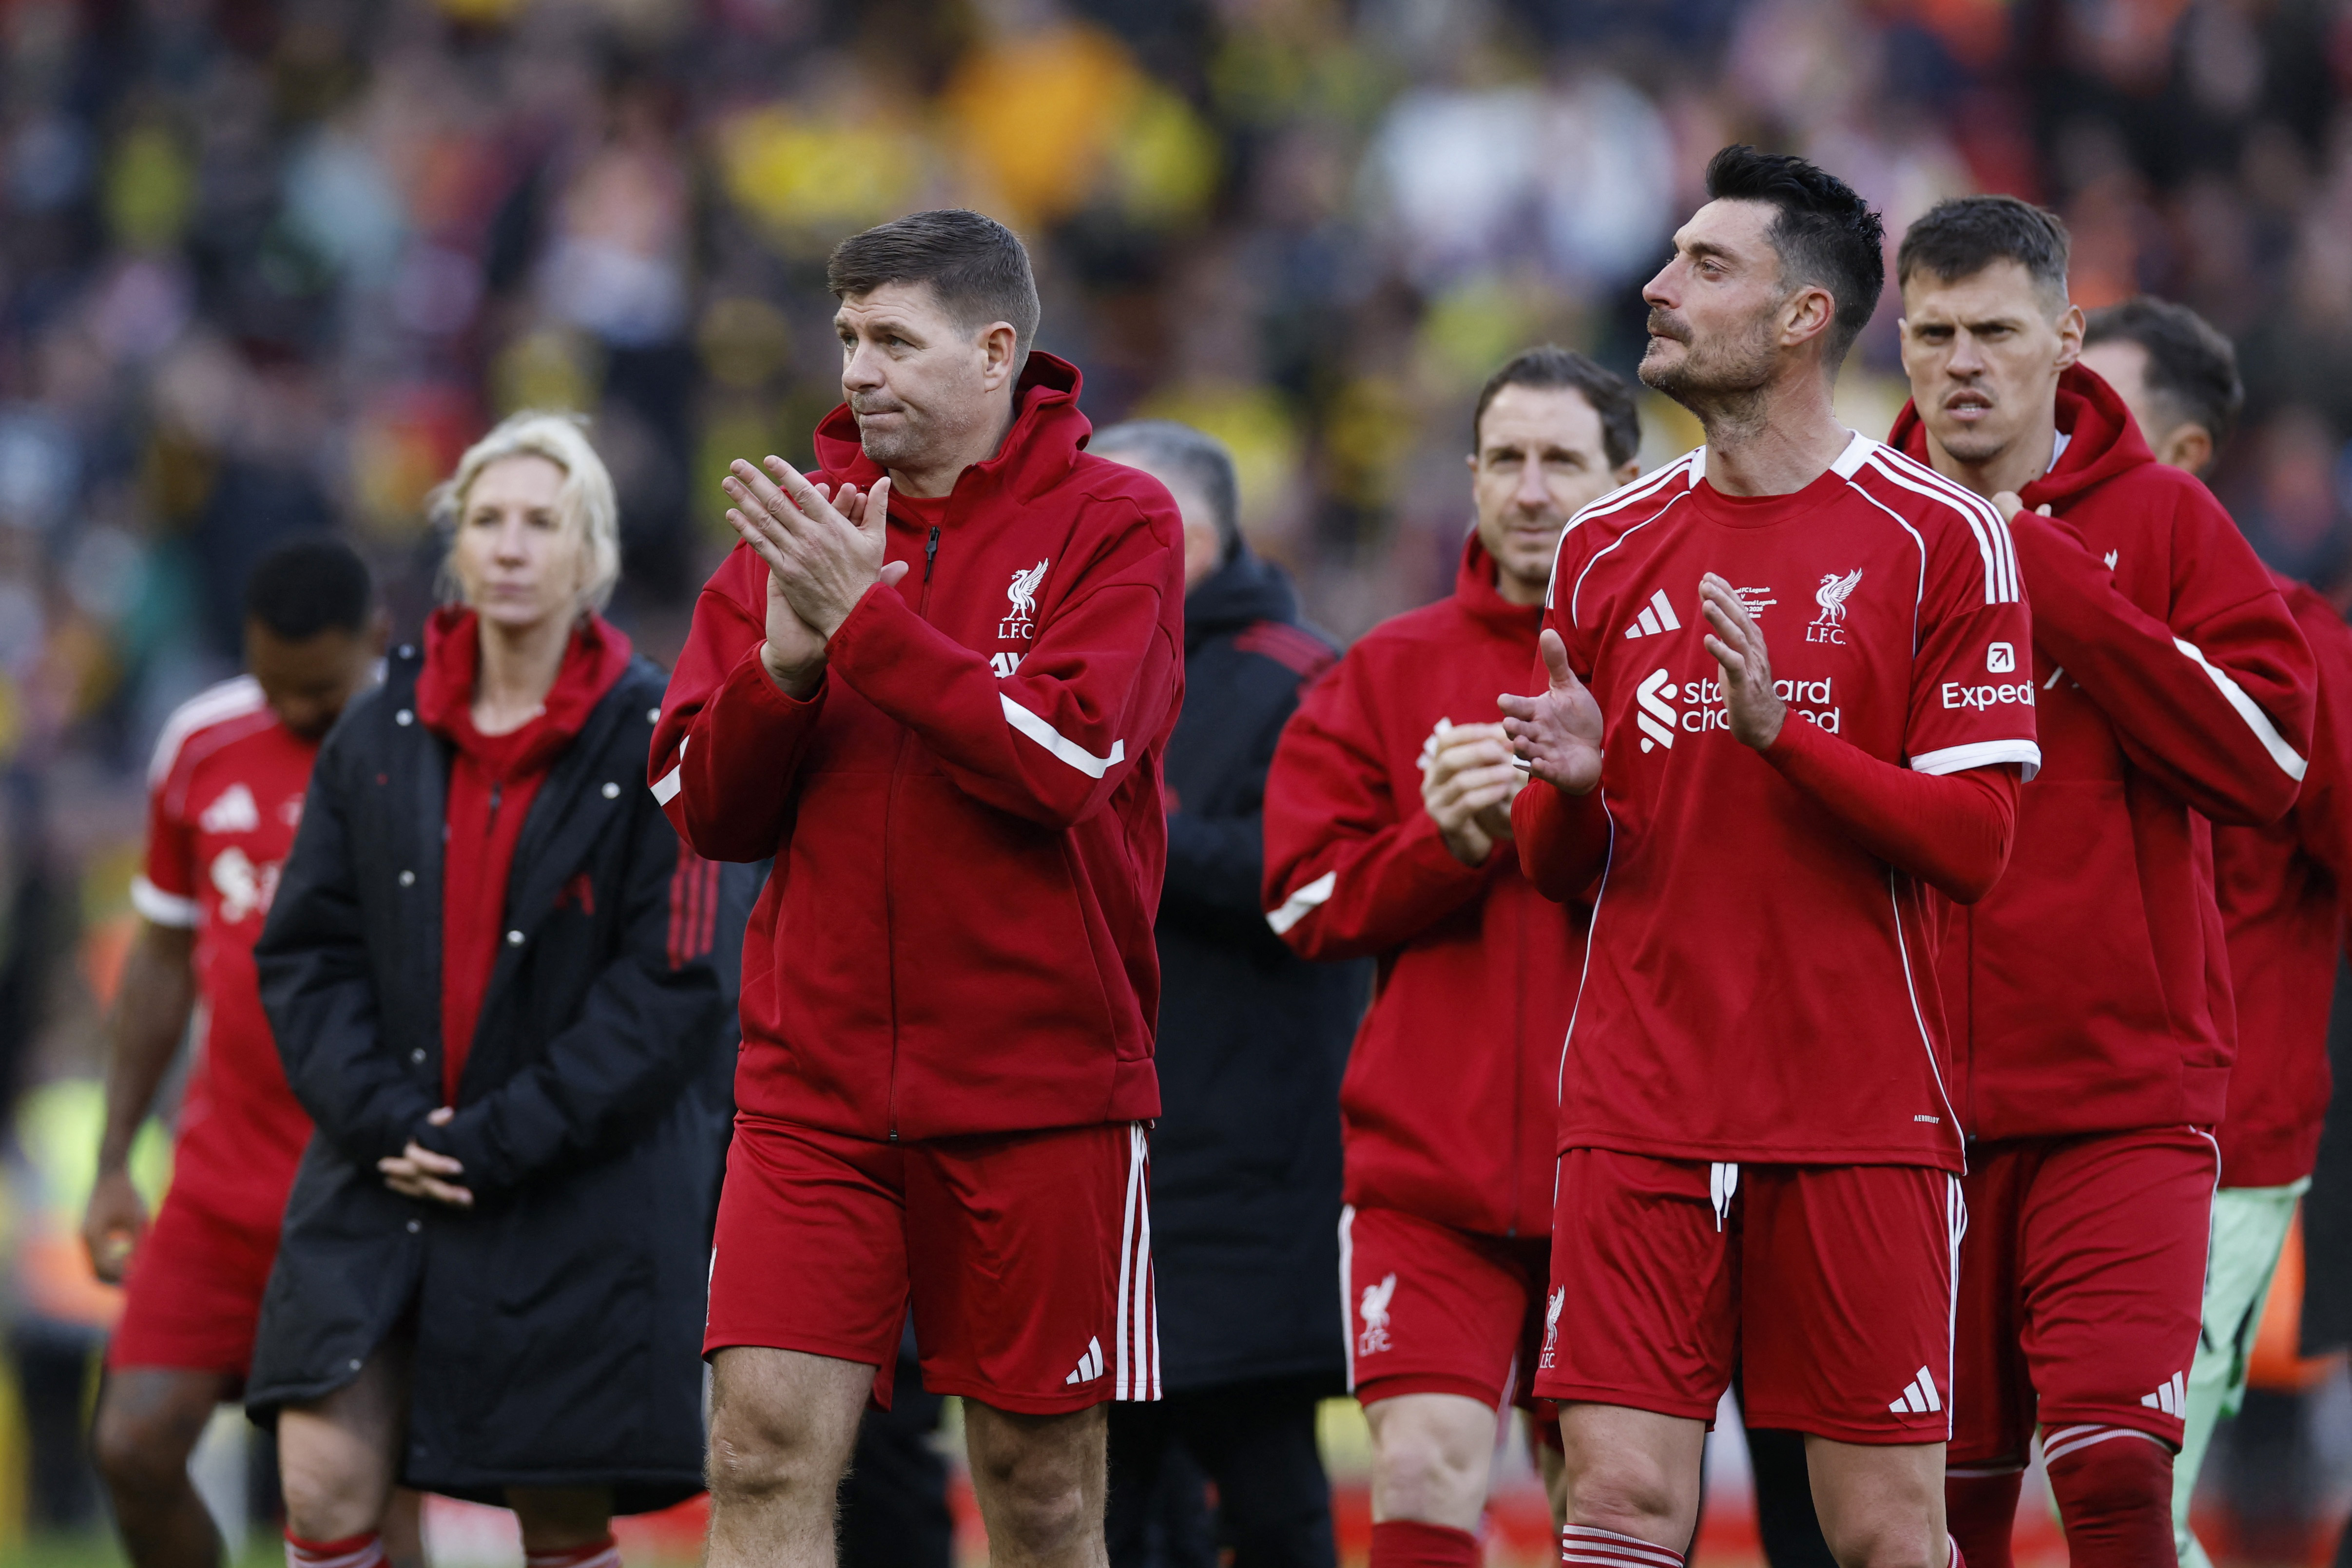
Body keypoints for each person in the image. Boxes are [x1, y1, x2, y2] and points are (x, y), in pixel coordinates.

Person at [1503, 147, 2043, 1568]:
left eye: (1705, 264)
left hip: (1857, 1107)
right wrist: (1563, 788)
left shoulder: (1945, 540)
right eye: (1670, 256)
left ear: (1803, 316)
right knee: (1612, 1504)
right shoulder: (1605, 546)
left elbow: (1979, 847)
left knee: (1880, 1534)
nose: (1656, 284)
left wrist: (1784, 739)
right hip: (1638, 1101)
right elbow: (1563, 867)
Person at [651, 209, 1185, 1568]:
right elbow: (702, 812)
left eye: (895, 340)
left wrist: (867, 625)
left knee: (1042, 1487)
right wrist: (780, 675)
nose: (858, 372)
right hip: (811, 1092)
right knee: (758, 1451)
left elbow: (1063, 760)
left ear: (998, 350)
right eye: (845, 339)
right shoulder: (800, 528)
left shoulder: (1118, 523)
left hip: (1041, 1093)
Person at [1885, 199, 2315, 1565]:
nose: (1962, 362)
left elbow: (2267, 764)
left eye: (1996, 331)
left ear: (2064, 338)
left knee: (2119, 1477)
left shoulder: (2168, 522)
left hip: (2123, 1095)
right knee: (1924, 1519)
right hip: (1903, 1114)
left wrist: (2050, 581)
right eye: (1934, 332)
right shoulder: (1853, 533)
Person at [247, 412, 752, 1568]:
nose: (512, 546)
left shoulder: (663, 734)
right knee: (322, 1482)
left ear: (594, 557)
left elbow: (677, 983)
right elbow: (304, 953)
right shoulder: (376, 728)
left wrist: (502, 1136)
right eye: (486, 521)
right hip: (386, 1160)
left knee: (561, 1521)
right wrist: (390, 1119)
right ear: (454, 550)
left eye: (543, 522)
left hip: (579, 1186)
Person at [1262, 346, 1639, 1568]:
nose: (1532, 491)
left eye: (1563, 462)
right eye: (1508, 461)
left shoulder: (1682, 665)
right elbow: (1302, 901)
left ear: (1624, 478)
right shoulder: (1384, 669)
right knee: (1422, 1464)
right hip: (1431, 1173)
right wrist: (1446, 842)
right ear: (1470, 477)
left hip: (1631, 1163)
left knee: (1609, 1494)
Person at [2079, 295, 2352, 1568]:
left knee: (2129, 1489)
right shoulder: (1992, 612)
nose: (2054, 427)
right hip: (2023, 1130)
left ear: (2183, 457)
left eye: (2099, 409)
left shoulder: (2295, 645)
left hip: (2219, 1147)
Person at [81, 539, 416, 1568]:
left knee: (370, 1499)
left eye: (317, 690)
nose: (296, 712)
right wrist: (110, 1163)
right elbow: (162, 959)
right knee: (133, 1446)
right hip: (219, 1186)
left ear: (375, 640)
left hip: (367, 1192)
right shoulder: (201, 740)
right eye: (274, 684)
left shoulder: (426, 743)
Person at [1088, 418, 1361, 1568]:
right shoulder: (1076, 673)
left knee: (1265, 1482)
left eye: (1105, 528)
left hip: (1254, 1162)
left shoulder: (1305, 676)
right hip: (1107, 1154)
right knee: (1103, 1490)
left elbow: (1298, 879)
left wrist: (1116, 816)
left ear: (1187, 535)